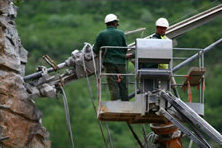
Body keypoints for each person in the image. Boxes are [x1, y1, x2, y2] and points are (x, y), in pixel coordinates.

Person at [93, 14, 128, 101]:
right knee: (123, 84)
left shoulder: (102, 35)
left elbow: (95, 50)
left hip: (109, 64)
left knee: (113, 85)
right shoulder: (121, 33)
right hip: (121, 64)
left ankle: (116, 104)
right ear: (115, 23)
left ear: (106, 23)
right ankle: (125, 104)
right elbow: (125, 48)